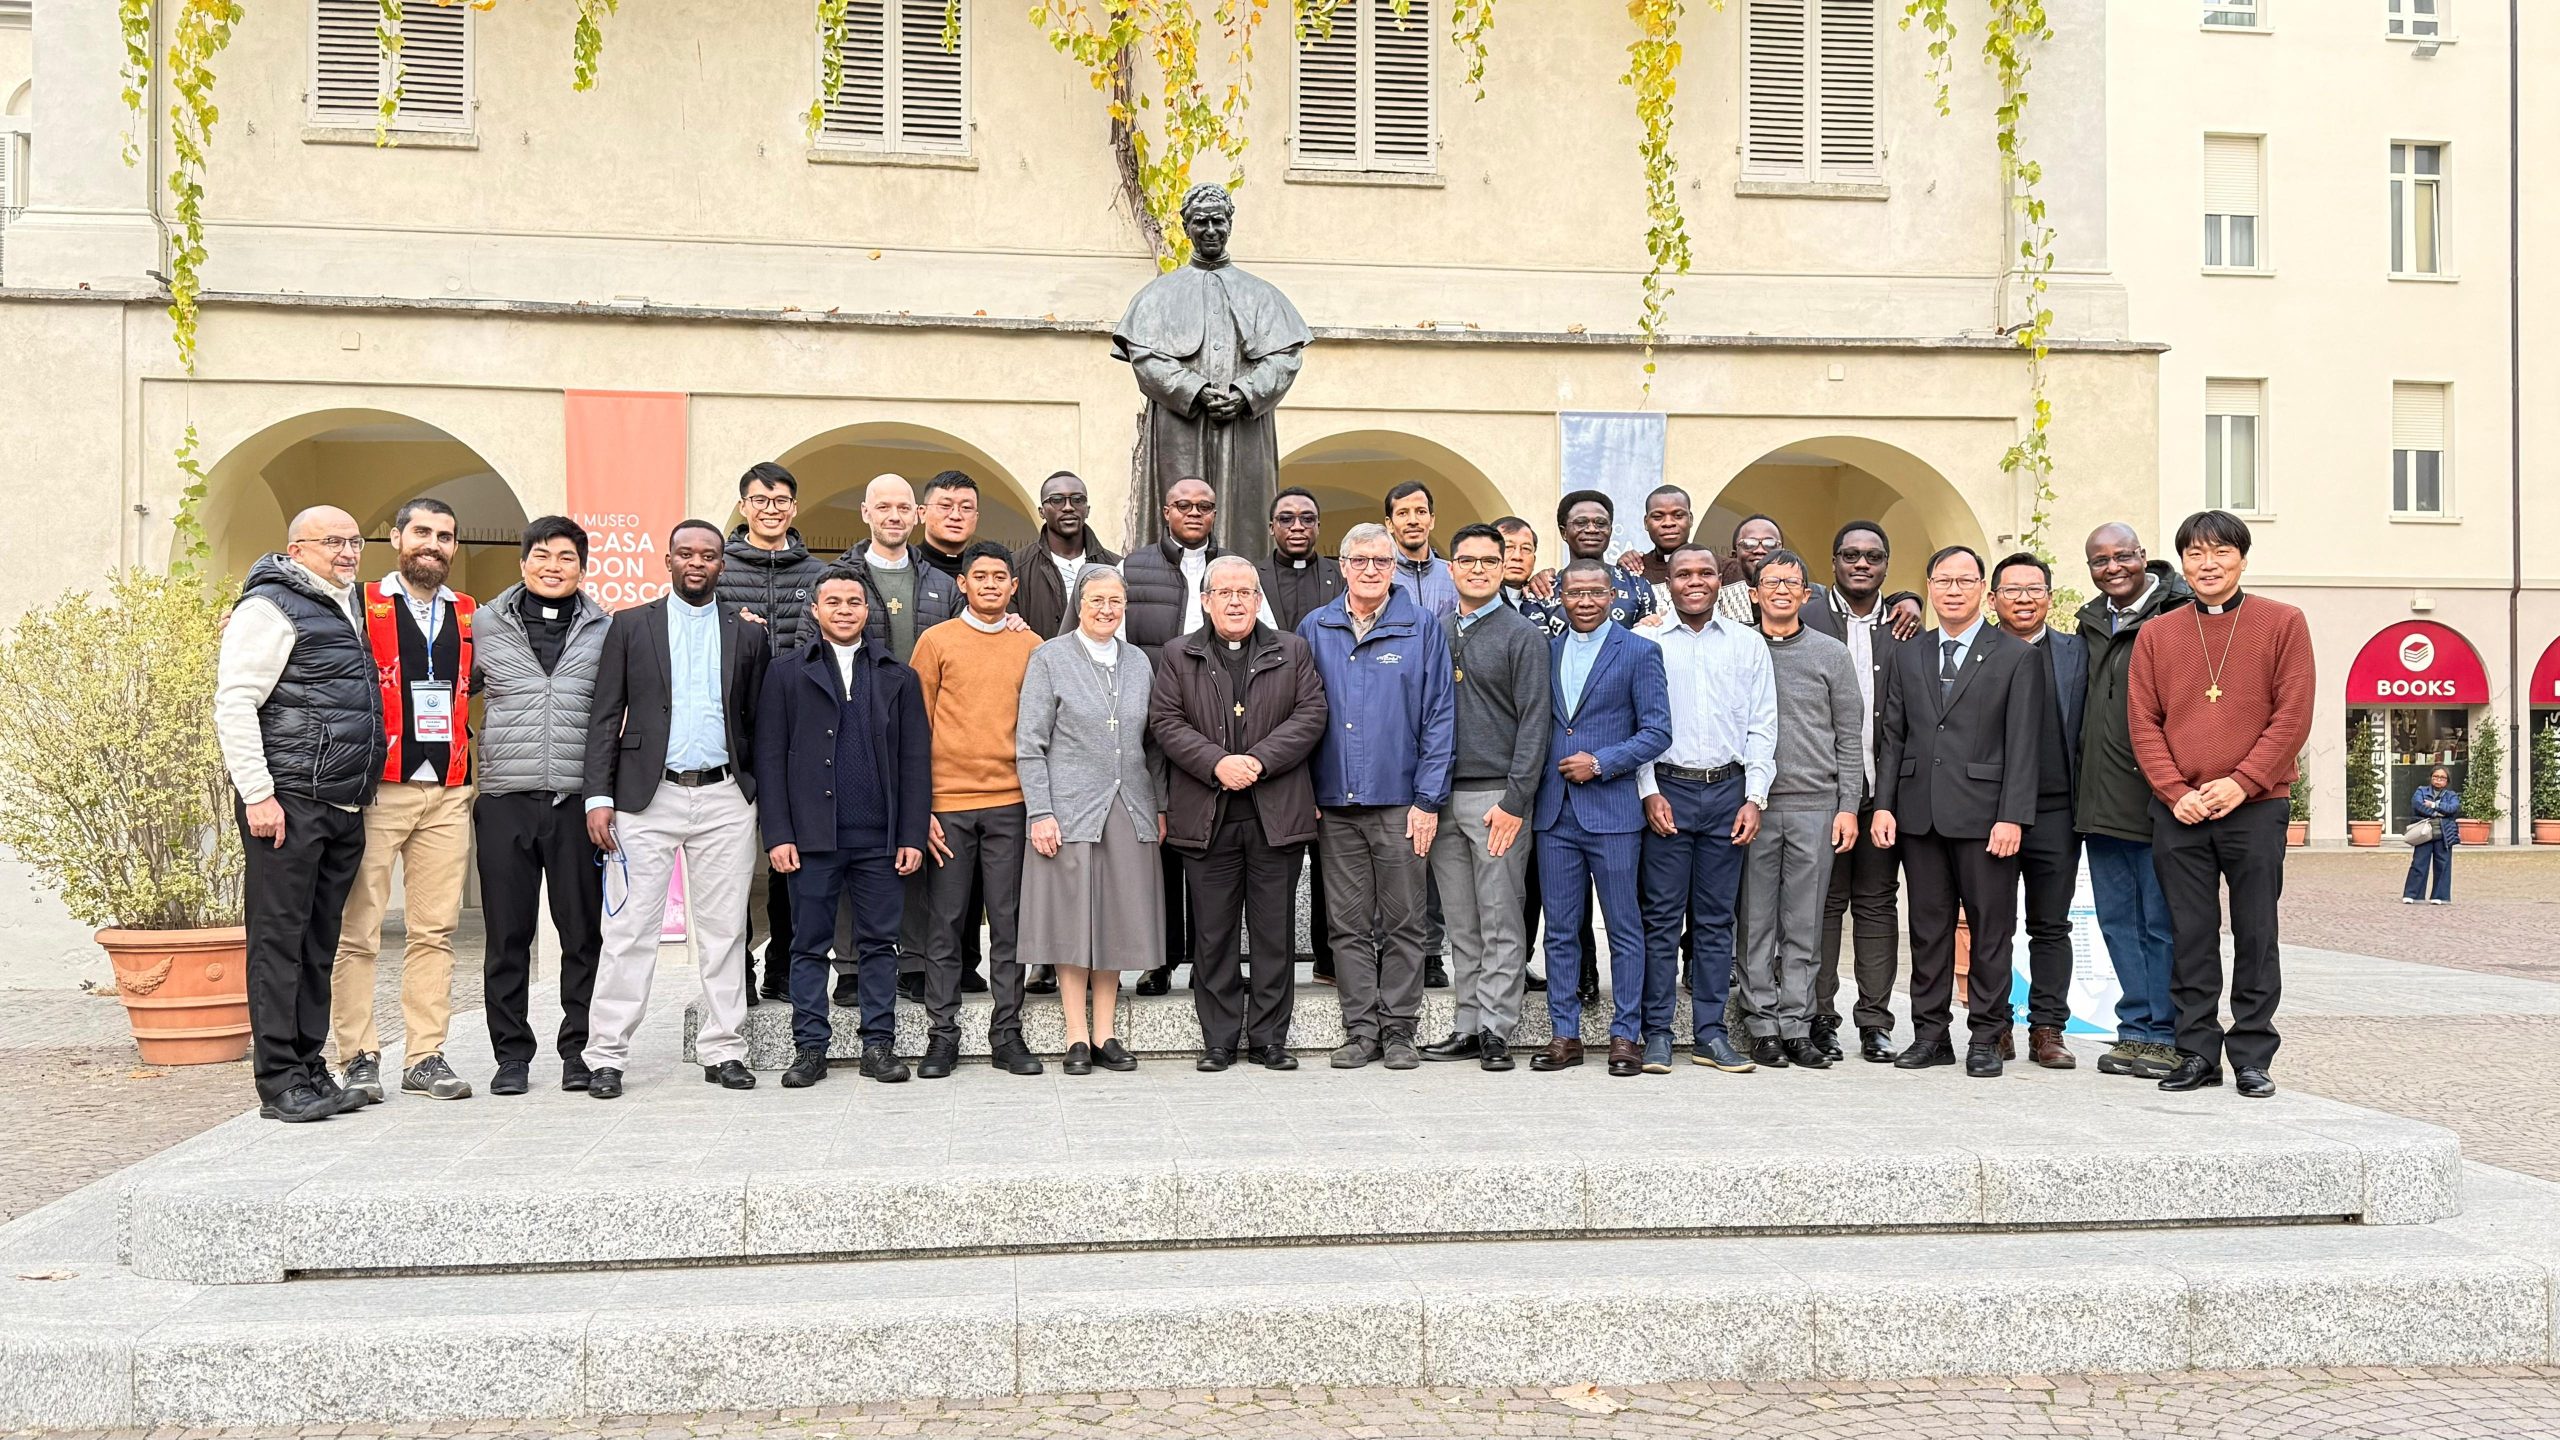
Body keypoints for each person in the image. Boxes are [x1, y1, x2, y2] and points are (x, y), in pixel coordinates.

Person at [580, 521, 771, 1099]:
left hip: (725, 799)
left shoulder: (747, 633)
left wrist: (759, 794)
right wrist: (598, 796)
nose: (696, 562)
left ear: (722, 565)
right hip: (646, 797)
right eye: (685, 553)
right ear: (667, 560)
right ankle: (606, 1056)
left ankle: (724, 1049)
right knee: (629, 930)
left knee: (725, 931)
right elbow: (605, 714)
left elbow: (760, 721)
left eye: (708, 555)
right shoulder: (630, 625)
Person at [2129, 511, 2315, 1098]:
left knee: (2256, 932)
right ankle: (2196, 1053)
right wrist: (2175, 791)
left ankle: (2253, 1056)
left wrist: (2243, 782)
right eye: (2196, 554)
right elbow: (2143, 722)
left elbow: (2293, 715)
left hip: (2256, 807)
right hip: (2180, 810)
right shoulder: (2157, 634)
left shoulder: (2283, 622)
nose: (2208, 565)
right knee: (2189, 934)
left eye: (2221, 553)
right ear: (2183, 563)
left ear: (2242, 558)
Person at [216, 506, 386, 1122]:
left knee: (317, 945)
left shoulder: (343, 604)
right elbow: (236, 702)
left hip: (340, 803)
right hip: (288, 802)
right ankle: (280, 1082)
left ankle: (310, 1068)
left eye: (354, 541)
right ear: (296, 549)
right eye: (332, 541)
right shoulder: (270, 607)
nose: (348, 551)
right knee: (278, 945)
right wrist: (258, 794)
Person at [1872, 544, 2047, 1078]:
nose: (1953, 590)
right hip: (1918, 814)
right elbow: (1893, 736)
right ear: (1929, 587)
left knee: (1991, 930)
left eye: (1965, 581)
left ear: (1983, 591)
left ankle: (1988, 1036)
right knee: (1928, 930)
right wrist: (1884, 806)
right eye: (1943, 581)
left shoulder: (2016, 656)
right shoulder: (1909, 654)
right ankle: (1930, 1035)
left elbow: (2024, 744)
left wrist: (2013, 816)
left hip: (1987, 817)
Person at [755, 567, 929, 1089]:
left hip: (879, 839)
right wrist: (778, 835)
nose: (845, 610)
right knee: (808, 945)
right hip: (812, 838)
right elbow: (769, 759)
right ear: (815, 610)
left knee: (878, 944)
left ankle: (878, 1046)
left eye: (854, 602)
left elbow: (915, 761)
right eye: (833, 602)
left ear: (866, 610)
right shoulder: (786, 673)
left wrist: (911, 835)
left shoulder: (898, 676)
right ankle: (810, 1049)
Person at [1151, 557, 1327, 1071]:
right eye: (1223, 592)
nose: (1234, 601)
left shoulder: (1291, 650)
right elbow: (1166, 720)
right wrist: (1217, 763)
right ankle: (1220, 1039)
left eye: (1244, 592)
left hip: (1276, 814)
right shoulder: (1178, 654)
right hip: (1207, 815)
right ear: (1205, 601)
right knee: (1213, 935)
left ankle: (1270, 1039)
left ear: (1257, 599)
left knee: (1273, 934)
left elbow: (1311, 713)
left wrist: (1258, 760)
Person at [330, 497, 477, 1104]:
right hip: (377, 788)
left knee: (435, 930)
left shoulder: (469, 613)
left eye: (445, 536)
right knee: (358, 930)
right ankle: (358, 1057)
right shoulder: (357, 603)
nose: (432, 544)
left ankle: (424, 1056)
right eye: (422, 532)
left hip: (447, 789)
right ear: (395, 538)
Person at [1299, 523, 1456, 1070]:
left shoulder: (1421, 627)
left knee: (1405, 923)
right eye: (1360, 560)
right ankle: (1361, 1031)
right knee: (1346, 925)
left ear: (1395, 569)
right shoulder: (1315, 627)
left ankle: (1399, 1031)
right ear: (1342, 566)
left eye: (1382, 561)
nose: (1371, 569)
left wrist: (1428, 800)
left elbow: (1440, 717)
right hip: (1334, 805)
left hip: (1401, 803)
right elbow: (1298, 714)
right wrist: (1305, 789)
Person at [473, 517, 611, 1095]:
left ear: (583, 567)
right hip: (504, 798)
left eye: (566, 557)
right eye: (542, 555)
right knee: (508, 935)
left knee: (582, 935)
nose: (553, 566)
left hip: (578, 804)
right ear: (523, 562)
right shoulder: (483, 623)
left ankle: (580, 1051)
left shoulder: (606, 629)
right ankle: (511, 1057)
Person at [1018, 568, 1167, 1075]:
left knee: (1115, 920)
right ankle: (1075, 1036)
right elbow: (1030, 744)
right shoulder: (1049, 658)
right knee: (1071, 922)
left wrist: (1159, 806)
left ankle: (1105, 1032)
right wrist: (1041, 812)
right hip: (1069, 810)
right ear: (1079, 605)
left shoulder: (1139, 661)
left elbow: (1154, 744)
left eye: (1115, 601)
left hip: (1131, 806)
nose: (1106, 609)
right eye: (1097, 600)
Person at [1111, 182, 1313, 554]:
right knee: (1179, 504)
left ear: (1229, 225)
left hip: (1245, 425)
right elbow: (1145, 358)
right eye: (1200, 222)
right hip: (1179, 423)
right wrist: (1194, 390)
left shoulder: (1261, 295)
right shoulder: (1157, 297)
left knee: (1244, 514)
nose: (1210, 230)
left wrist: (1246, 393)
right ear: (1186, 227)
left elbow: (1285, 358)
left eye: (1217, 222)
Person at [1124, 476, 1269, 995]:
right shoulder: (1134, 568)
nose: (1193, 513)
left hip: (1224, 732)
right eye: (1182, 505)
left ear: (1214, 514)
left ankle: (1217, 962)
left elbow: (1265, 638)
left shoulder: (1236, 571)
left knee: (1214, 851)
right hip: (1156, 725)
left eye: (1203, 506)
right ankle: (1161, 958)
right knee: (1165, 842)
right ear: (1165, 511)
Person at [1633, 545, 1773, 1075]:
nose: (1695, 581)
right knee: (1661, 920)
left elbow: (1762, 725)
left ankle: (1710, 1035)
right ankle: (1657, 1033)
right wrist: (1648, 790)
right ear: (1666, 582)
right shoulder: (1646, 642)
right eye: (1684, 574)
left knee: (1715, 921)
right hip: (1667, 790)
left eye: (1705, 573)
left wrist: (1754, 796)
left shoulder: (1747, 643)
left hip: (1727, 794)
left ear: (1721, 581)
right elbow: (1635, 722)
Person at [908, 543, 1046, 1078]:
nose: (990, 584)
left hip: (1011, 802)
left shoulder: (1031, 644)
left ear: (1014, 586)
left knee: (1009, 924)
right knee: (945, 925)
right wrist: (921, 809)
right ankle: (942, 1036)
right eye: (980, 576)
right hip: (948, 807)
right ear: (962, 584)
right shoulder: (936, 641)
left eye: (999, 577)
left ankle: (1006, 1034)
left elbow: (1043, 727)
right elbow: (914, 728)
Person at [1532, 559, 1673, 1077]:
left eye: (1596, 592)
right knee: (1560, 931)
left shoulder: (1639, 651)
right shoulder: (1545, 651)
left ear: (1612, 596)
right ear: (1561, 597)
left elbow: (1657, 731)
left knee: (1624, 928)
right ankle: (1564, 1035)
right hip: (1554, 814)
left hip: (1613, 812)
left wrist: (1601, 762)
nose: (1586, 601)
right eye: (1575, 593)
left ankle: (1625, 1036)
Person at [1418, 525, 1550, 1071]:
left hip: (1497, 799)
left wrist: (1516, 802)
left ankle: (1497, 1028)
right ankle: (1467, 1025)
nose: (1477, 569)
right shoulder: (1435, 630)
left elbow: (1536, 723)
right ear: (1450, 568)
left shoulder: (1522, 635)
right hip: (1442, 797)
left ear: (1502, 568)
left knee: (1500, 920)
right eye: (1467, 560)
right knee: (1462, 923)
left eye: (1489, 561)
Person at [2073, 522, 2193, 1080]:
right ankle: (2136, 1027)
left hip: (2158, 800)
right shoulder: (2091, 623)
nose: (2113, 567)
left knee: (2160, 925)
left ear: (2144, 556)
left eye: (2122, 556)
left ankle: (2166, 1033)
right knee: (2117, 922)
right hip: (2099, 803)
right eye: (2100, 560)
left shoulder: (2179, 615)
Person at [836, 473, 959, 1005]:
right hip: (852, 733)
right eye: (882, 506)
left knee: (916, 842)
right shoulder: (838, 579)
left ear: (917, 516)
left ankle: (914, 961)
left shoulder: (941, 586)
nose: (893, 516)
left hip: (920, 733)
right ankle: (850, 965)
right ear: (866, 512)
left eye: (902, 507)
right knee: (851, 847)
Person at [1737, 550, 1863, 1070]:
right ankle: (1761, 1025)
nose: (1782, 591)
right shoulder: (1740, 648)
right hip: (1753, 806)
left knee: (1805, 924)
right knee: (1755, 922)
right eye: (1772, 582)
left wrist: (1848, 805)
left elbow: (1849, 737)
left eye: (1792, 583)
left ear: (1806, 595)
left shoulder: (1831, 654)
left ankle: (1796, 1024)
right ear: (1754, 593)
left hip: (1816, 806)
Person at [1804, 521, 1921, 1062]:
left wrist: (1890, 800)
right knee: (1823, 906)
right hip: (1820, 793)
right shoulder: (1806, 617)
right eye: (1850, 555)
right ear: (1833, 562)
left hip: (1882, 793)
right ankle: (1820, 1019)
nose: (1861, 564)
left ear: (1886, 566)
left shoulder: (1904, 626)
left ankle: (1875, 1022)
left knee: (1876, 906)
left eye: (1873, 557)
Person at [719, 461, 831, 1006]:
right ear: (744, 506)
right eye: (760, 499)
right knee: (732, 859)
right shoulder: (718, 570)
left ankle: (784, 967)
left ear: (794, 507)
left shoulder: (818, 573)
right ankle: (736, 969)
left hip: (799, 732)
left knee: (795, 854)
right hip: (732, 732)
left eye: (781, 500)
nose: (771, 508)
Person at [1991, 552, 2086, 1070]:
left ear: (2049, 596)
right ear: (1994, 599)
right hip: (1991, 811)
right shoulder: (1978, 651)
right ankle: (1996, 1025)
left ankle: (2048, 1029)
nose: (2024, 599)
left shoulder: (2077, 652)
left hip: (2056, 811)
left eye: (2034, 589)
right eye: (2012, 590)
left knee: (2050, 926)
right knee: (1993, 926)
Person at [1257, 486, 1344, 986]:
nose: (1296, 526)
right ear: (1271, 526)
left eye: (1306, 518)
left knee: (1330, 858)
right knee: (1275, 860)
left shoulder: (1339, 577)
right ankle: (1275, 960)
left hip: (1329, 731)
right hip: (1268, 732)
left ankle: (1329, 957)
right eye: (1286, 518)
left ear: (1318, 526)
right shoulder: (1251, 578)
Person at [1494, 514, 1559, 996]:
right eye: (1508, 547)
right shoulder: (1475, 602)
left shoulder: (1549, 602)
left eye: (1526, 549)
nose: (1517, 557)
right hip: (1494, 761)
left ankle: (1522, 958)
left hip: (1545, 753)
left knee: (1534, 871)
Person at [1523, 491, 1655, 637]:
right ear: (1563, 532)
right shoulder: (1542, 591)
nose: (1592, 529)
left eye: (1601, 523)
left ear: (1610, 531)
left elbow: (1647, 642)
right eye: (1581, 523)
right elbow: (1538, 648)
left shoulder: (1637, 586)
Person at [1012, 470, 1120, 639]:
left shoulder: (1116, 567)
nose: (1068, 507)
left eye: (1077, 499)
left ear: (1087, 510)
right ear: (1041, 512)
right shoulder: (1016, 567)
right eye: (1056, 500)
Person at [1613, 484, 1695, 613]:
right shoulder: (1633, 571)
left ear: (1690, 519)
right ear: (1646, 523)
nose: (1668, 523)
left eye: (1678, 515)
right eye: (1657, 517)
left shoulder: (1720, 567)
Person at [1384, 480, 1458, 620]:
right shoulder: (1379, 575)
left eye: (1421, 512)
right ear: (1389, 524)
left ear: (1432, 520)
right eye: (1402, 513)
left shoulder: (1454, 574)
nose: (1413, 520)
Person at [2405, 767, 2460, 905]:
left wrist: (2434, 804)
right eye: (2435, 776)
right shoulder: (2421, 791)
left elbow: (2452, 808)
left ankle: (2440, 896)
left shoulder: (2452, 795)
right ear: (2431, 778)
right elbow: (2418, 805)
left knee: (2443, 864)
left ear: (2447, 781)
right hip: (2424, 831)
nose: (2438, 780)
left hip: (2444, 833)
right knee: (2419, 863)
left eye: (2442, 778)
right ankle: (2413, 894)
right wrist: (2437, 813)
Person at [913, 470, 982, 578]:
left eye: (966, 507)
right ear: (923, 513)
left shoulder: (985, 572)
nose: (955, 516)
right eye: (945, 505)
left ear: (976, 518)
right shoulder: (905, 564)